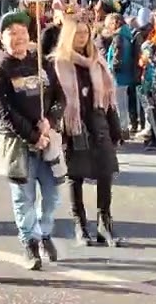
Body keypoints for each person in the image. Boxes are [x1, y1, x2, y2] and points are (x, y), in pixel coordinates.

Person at [0, 9, 66, 270]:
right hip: (17, 143)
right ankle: (30, 242)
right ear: (2, 38)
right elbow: (4, 112)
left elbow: (60, 98)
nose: (19, 37)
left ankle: (44, 232)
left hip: (47, 139)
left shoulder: (41, 62)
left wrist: (50, 122)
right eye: (12, 33)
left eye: (22, 32)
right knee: (24, 196)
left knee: (53, 194)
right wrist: (33, 136)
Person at [50, 19, 123, 246]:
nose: (82, 37)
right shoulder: (58, 62)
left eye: (85, 33)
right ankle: (80, 226)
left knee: (105, 171)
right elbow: (52, 98)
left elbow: (108, 98)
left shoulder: (97, 60)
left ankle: (104, 223)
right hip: (73, 124)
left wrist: (115, 127)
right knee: (76, 176)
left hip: (97, 119)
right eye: (78, 33)